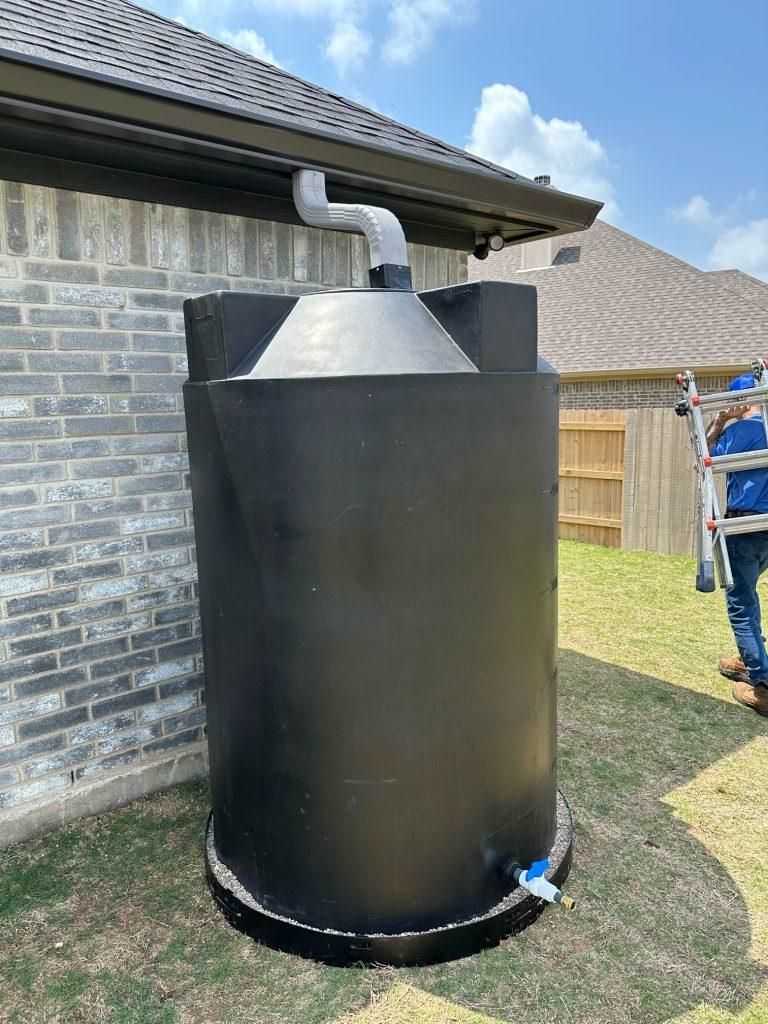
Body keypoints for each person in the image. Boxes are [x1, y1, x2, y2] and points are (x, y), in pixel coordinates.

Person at [707, 372, 768, 717]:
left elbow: (702, 457)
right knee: (751, 595)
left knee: (741, 603)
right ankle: (751, 660)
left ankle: (763, 685)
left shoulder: (741, 432)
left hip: (746, 528)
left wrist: (719, 420)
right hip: (766, 528)